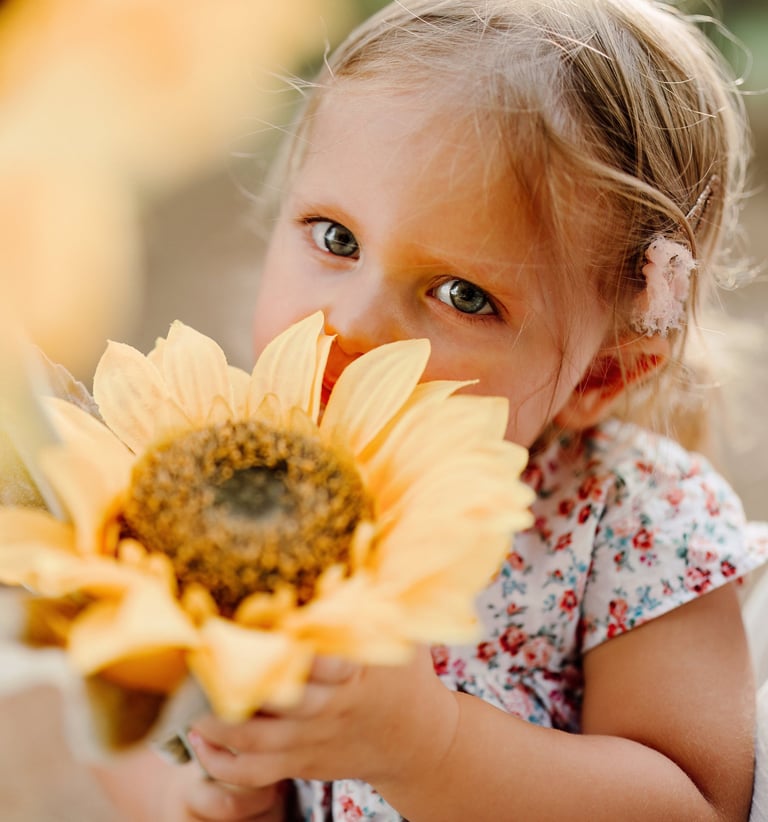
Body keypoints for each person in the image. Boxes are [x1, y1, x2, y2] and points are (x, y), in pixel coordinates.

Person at [94, 0, 768, 818]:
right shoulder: (225, 486)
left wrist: (428, 745)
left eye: (461, 295)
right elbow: (123, 736)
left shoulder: (627, 523)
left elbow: (702, 806)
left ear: (601, 375)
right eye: (335, 238)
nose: (350, 326)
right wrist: (224, 796)